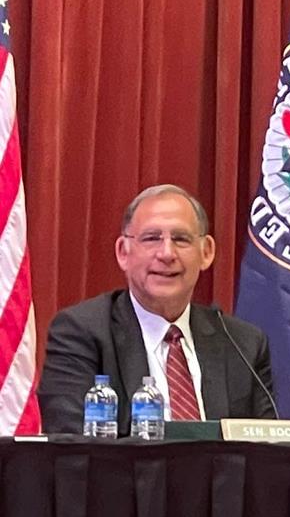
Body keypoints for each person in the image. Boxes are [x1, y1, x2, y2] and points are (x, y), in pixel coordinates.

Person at [38, 184, 275, 435]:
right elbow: (73, 449)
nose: (166, 253)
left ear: (206, 253)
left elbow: (266, 454)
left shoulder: (243, 344)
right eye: (151, 238)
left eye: (181, 239)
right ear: (123, 253)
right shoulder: (81, 333)